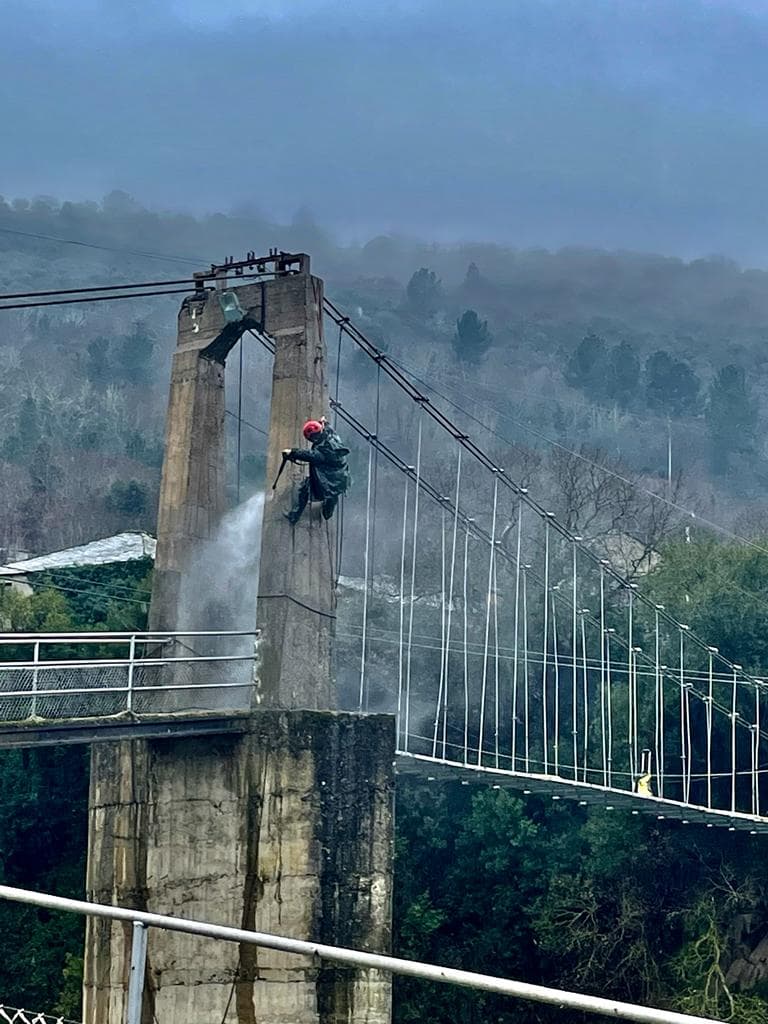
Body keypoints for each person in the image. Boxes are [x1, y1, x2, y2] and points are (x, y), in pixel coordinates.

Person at [283, 417, 350, 524]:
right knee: (332, 496)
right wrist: (325, 422)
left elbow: (311, 455)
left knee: (305, 489)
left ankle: (294, 516)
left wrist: (292, 452)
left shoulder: (323, 450)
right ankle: (327, 512)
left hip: (329, 480)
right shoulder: (331, 437)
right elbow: (329, 429)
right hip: (342, 477)